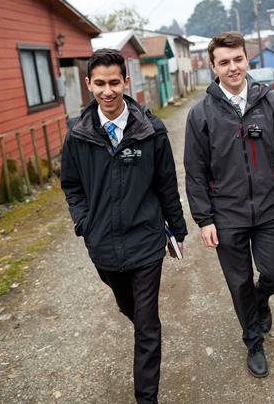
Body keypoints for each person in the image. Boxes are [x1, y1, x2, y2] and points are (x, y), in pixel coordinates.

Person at [61, 48, 187, 404]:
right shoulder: (77, 135)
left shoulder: (151, 130)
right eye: (99, 83)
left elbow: (166, 184)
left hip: (146, 241)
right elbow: (71, 186)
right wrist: (84, 223)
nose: (108, 91)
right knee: (128, 306)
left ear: (125, 81)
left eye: (114, 82)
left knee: (147, 324)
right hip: (102, 245)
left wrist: (176, 230)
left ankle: (146, 397)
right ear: (89, 84)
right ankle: (147, 334)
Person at [183, 31, 274, 378]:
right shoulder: (201, 115)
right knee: (238, 282)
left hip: (269, 207)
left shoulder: (269, 102)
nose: (233, 67)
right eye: (224, 62)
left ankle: (261, 299)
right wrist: (204, 219)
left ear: (246, 59)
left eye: (238, 59)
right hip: (227, 214)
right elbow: (194, 172)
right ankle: (253, 340)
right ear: (213, 67)